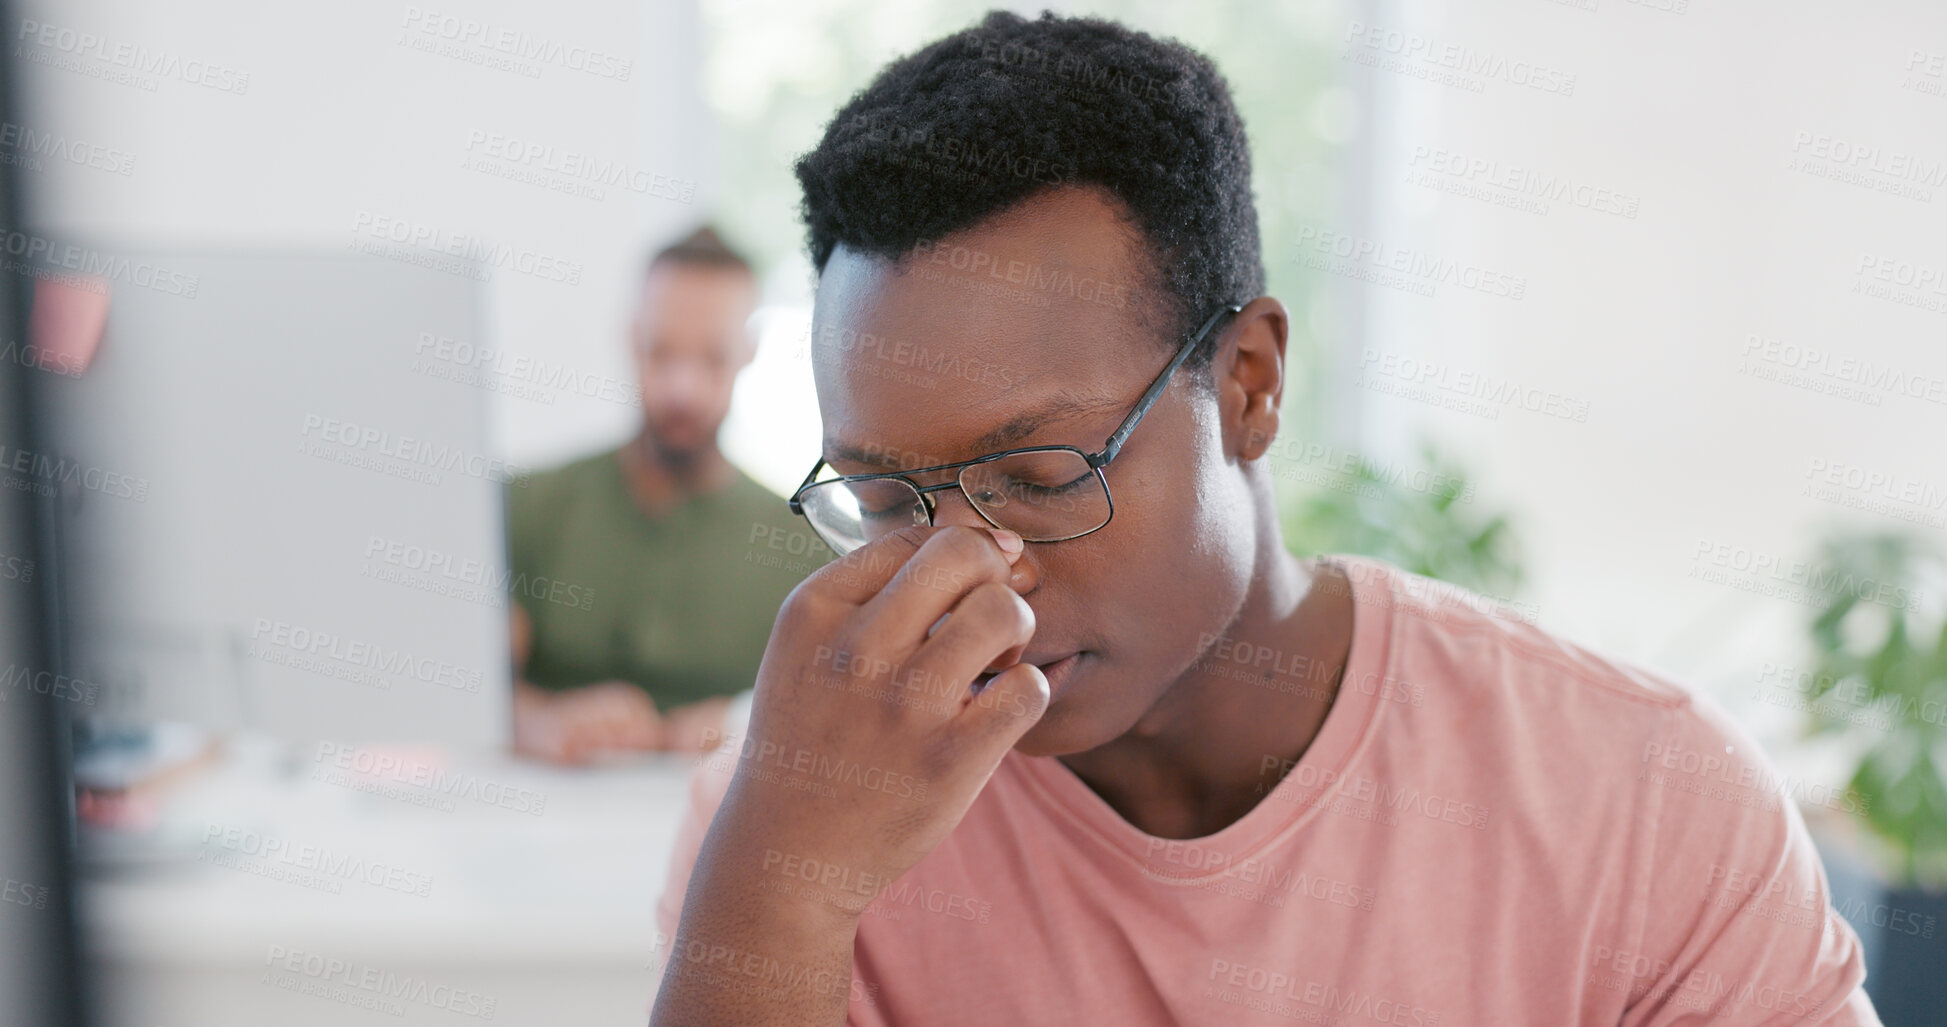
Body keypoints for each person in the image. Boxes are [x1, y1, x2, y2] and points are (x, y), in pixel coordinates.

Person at [650, 12, 1880, 1025]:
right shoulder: (807, 819)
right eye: (885, 500)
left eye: (1039, 474)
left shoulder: (1643, 801)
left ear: (1247, 385)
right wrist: (780, 887)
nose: (976, 578)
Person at [508, 226, 817, 764]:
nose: (682, 389)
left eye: (712, 358)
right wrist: (535, 721)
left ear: (749, 353)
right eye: (661, 351)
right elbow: (460, 684)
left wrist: (742, 723)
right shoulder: (528, 505)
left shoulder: (802, 544)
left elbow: (835, 718)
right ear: (631, 339)